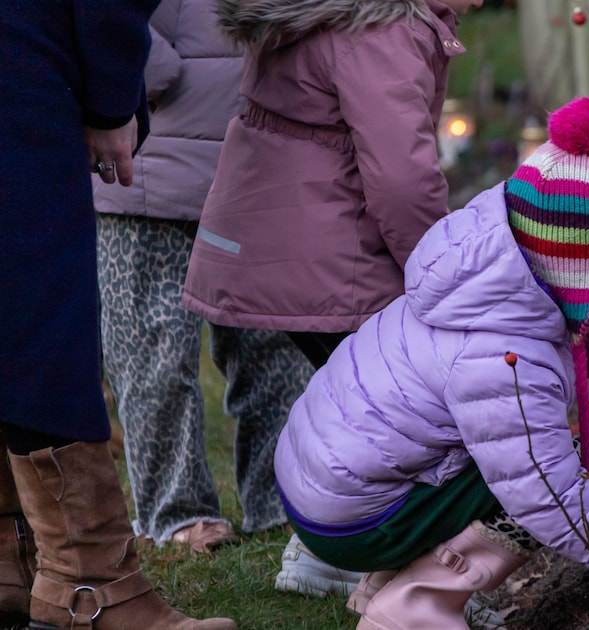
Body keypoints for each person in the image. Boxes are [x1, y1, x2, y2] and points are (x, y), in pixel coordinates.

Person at [273, 97, 589, 630]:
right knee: (563, 469)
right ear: (574, 269)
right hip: (354, 515)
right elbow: (553, 503)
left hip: (338, 481)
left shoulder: (503, 275)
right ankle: (411, 610)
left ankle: (392, 580)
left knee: (540, 461)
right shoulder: (501, 357)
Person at [182, 0, 484, 596]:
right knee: (410, 423)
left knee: (362, 413)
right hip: (331, 256)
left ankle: (323, 555)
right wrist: (445, 278)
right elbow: (403, 181)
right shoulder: (384, 29)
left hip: (285, 239)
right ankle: (387, 575)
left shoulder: (349, 13)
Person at [0, 1, 236, 628]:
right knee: (42, 317)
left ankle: (10, 561)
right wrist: (109, 99)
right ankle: (90, 584)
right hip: (23, 62)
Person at [94, 0, 316, 554]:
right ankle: (178, 513)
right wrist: (132, 68)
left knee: (274, 343)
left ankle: (283, 498)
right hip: (149, 153)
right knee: (155, 347)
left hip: (257, 151)